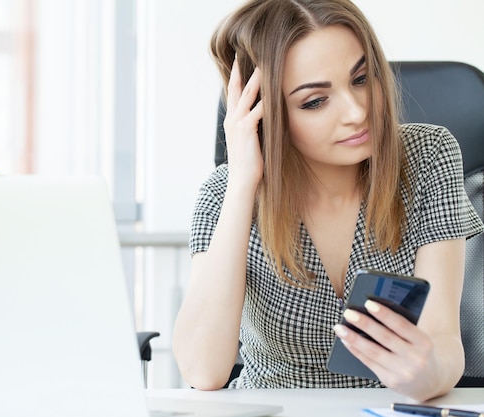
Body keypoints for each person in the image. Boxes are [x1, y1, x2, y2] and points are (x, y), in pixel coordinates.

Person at [172, 0, 484, 402]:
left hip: (396, 406)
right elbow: (203, 370)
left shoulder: (427, 157)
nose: (357, 112)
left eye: (361, 79)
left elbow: (443, 344)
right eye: (315, 101)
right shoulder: (224, 193)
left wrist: (428, 375)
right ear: (263, 113)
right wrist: (243, 182)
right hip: (277, 408)